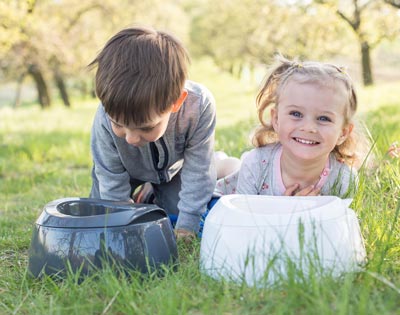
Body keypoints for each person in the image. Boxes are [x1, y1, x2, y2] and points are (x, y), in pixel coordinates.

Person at [88, 26, 217, 241]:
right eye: (118, 124)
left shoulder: (199, 106)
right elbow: (111, 182)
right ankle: (138, 198)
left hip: (172, 172)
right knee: (101, 217)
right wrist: (125, 228)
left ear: (176, 102)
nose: (131, 139)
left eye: (146, 127)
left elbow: (199, 170)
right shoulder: (104, 117)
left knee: (174, 214)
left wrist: (187, 226)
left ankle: (149, 193)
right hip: (120, 173)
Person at [216, 55, 368, 198]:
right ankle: (219, 161)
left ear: (343, 133)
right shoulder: (256, 165)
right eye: (296, 114)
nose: (308, 127)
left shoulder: (343, 180)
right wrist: (286, 209)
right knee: (230, 167)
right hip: (235, 184)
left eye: (324, 118)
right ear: (276, 119)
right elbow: (243, 220)